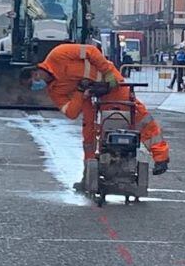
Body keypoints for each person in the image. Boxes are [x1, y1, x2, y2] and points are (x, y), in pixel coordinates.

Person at [19, 44, 170, 191]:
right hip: (89, 97)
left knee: (137, 118)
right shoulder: (55, 91)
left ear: (36, 73)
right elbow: (71, 113)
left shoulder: (59, 54)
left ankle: (160, 157)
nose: (36, 87)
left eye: (33, 83)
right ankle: (90, 174)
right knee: (89, 133)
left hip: (110, 84)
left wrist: (108, 75)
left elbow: (91, 51)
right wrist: (80, 92)